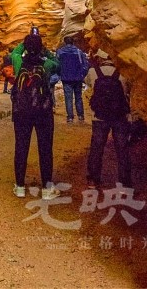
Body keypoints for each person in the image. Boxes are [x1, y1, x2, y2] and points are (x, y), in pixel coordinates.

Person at [10, 33, 60, 199]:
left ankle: (20, 187)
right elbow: (58, 64)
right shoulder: (47, 64)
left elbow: (15, 53)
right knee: (45, 148)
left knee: (21, 147)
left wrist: (24, 44)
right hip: (43, 112)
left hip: (21, 112)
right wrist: (45, 51)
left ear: (25, 47)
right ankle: (46, 188)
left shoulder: (18, 62)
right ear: (40, 48)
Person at [85, 50, 131, 188]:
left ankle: (93, 180)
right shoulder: (123, 73)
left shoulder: (93, 72)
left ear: (101, 58)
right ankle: (124, 183)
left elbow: (88, 84)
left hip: (99, 116)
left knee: (97, 148)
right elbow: (128, 90)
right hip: (120, 116)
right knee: (122, 150)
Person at [55, 35, 90, 123]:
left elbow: (57, 65)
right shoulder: (79, 52)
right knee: (78, 97)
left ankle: (70, 117)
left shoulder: (60, 52)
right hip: (77, 78)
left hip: (66, 78)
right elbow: (85, 65)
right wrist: (82, 75)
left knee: (68, 98)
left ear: (65, 42)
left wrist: (60, 74)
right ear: (73, 42)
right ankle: (80, 116)